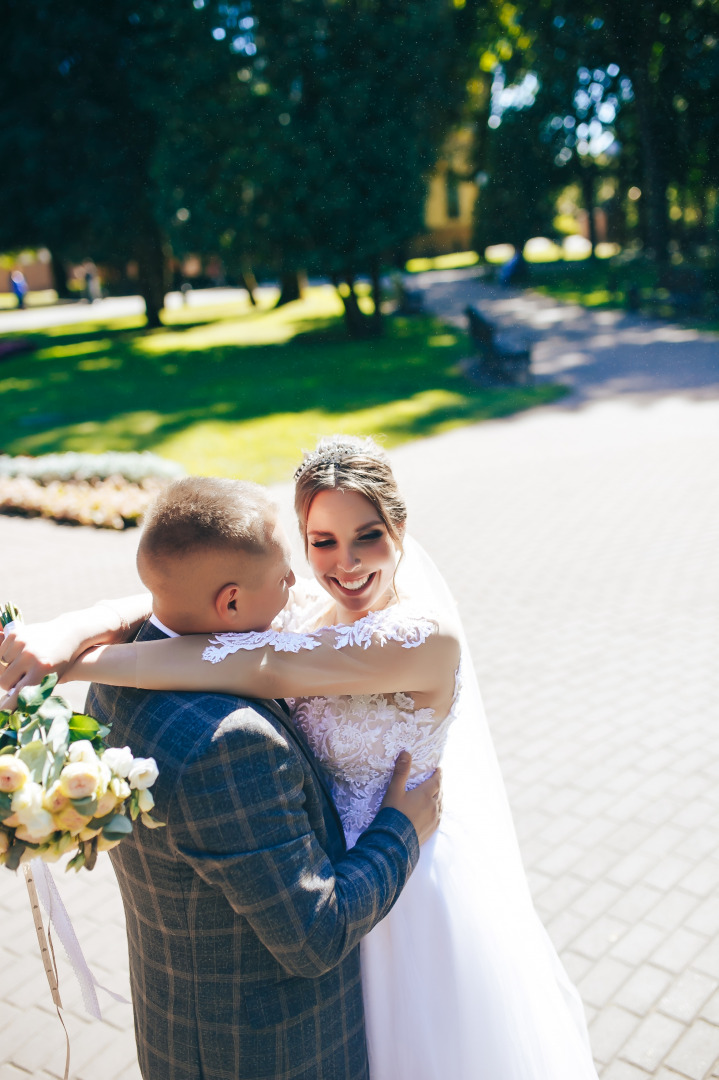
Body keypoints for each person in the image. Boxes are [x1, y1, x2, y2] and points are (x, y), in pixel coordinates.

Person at [2, 436, 600, 1079]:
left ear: (400, 528)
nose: (344, 563)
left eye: (367, 536)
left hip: (409, 876)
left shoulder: (425, 639)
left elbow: (248, 660)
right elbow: (179, 603)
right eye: (321, 542)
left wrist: (73, 664)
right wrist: (67, 631)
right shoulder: (306, 610)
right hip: (331, 877)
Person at [1, 475, 441, 1080]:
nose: (297, 585)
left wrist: (81, 625)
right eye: (284, 574)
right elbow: (316, 933)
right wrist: (402, 826)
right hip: (268, 1052)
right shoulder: (232, 744)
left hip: (179, 1023)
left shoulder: (119, 675)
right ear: (230, 603)